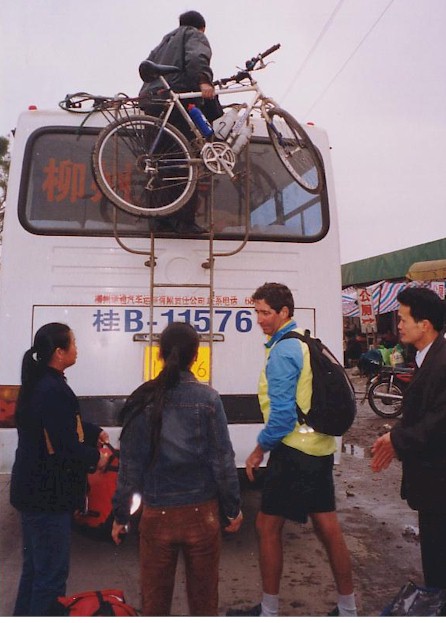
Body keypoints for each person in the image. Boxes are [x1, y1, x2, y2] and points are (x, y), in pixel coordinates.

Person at [227, 282, 357, 617]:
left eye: (266, 312)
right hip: (319, 448)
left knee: (267, 528)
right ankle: (348, 609)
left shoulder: (284, 351)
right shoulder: (304, 340)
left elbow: (283, 416)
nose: (260, 319)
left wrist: (258, 450)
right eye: (256, 312)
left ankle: (269, 610)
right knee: (328, 528)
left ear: (284, 312)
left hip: (294, 452)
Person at [111, 322, 242, 616]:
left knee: (155, 605)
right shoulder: (209, 399)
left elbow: (130, 468)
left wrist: (121, 515)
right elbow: (223, 460)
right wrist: (233, 509)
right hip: (203, 516)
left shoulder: (142, 398)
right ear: (195, 357)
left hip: (157, 516)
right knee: (205, 602)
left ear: (160, 354)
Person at [10, 322, 109, 616]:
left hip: (32, 493)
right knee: (50, 578)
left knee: (35, 571)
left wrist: (93, 431)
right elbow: (64, 446)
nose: (77, 349)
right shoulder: (52, 389)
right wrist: (96, 456)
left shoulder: (42, 382)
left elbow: (58, 425)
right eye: (74, 343)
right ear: (59, 352)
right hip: (47, 497)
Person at [371, 287, 446, 589]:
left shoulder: (442, 363)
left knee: (439, 568)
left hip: (439, 488)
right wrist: (396, 438)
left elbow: (439, 422)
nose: (398, 326)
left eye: (403, 319)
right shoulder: (429, 357)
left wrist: (396, 441)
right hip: (432, 486)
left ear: (424, 324)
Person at [139, 10, 217, 234]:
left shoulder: (164, 41)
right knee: (188, 160)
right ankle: (184, 222)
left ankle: (158, 220)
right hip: (177, 99)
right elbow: (196, 58)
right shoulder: (194, 34)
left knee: (158, 162)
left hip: (153, 102)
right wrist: (203, 81)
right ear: (201, 27)